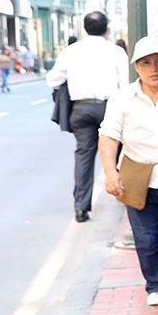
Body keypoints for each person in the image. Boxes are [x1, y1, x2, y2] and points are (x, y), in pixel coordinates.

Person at [96, 36, 158, 314]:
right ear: (136, 66)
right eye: (147, 63)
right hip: (136, 176)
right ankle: (155, 286)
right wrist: (110, 173)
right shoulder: (122, 98)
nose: (154, 69)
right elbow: (109, 136)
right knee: (146, 238)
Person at [46, 12, 129, 223]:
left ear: (85, 28)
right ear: (106, 28)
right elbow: (126, 84)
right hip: (109, 108)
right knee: (118, 151)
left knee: (84, 155)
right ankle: (125, 197)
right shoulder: (116, 51)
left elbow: (53, 79)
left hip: (81, 110)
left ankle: (81, 208)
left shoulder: (71, 51)